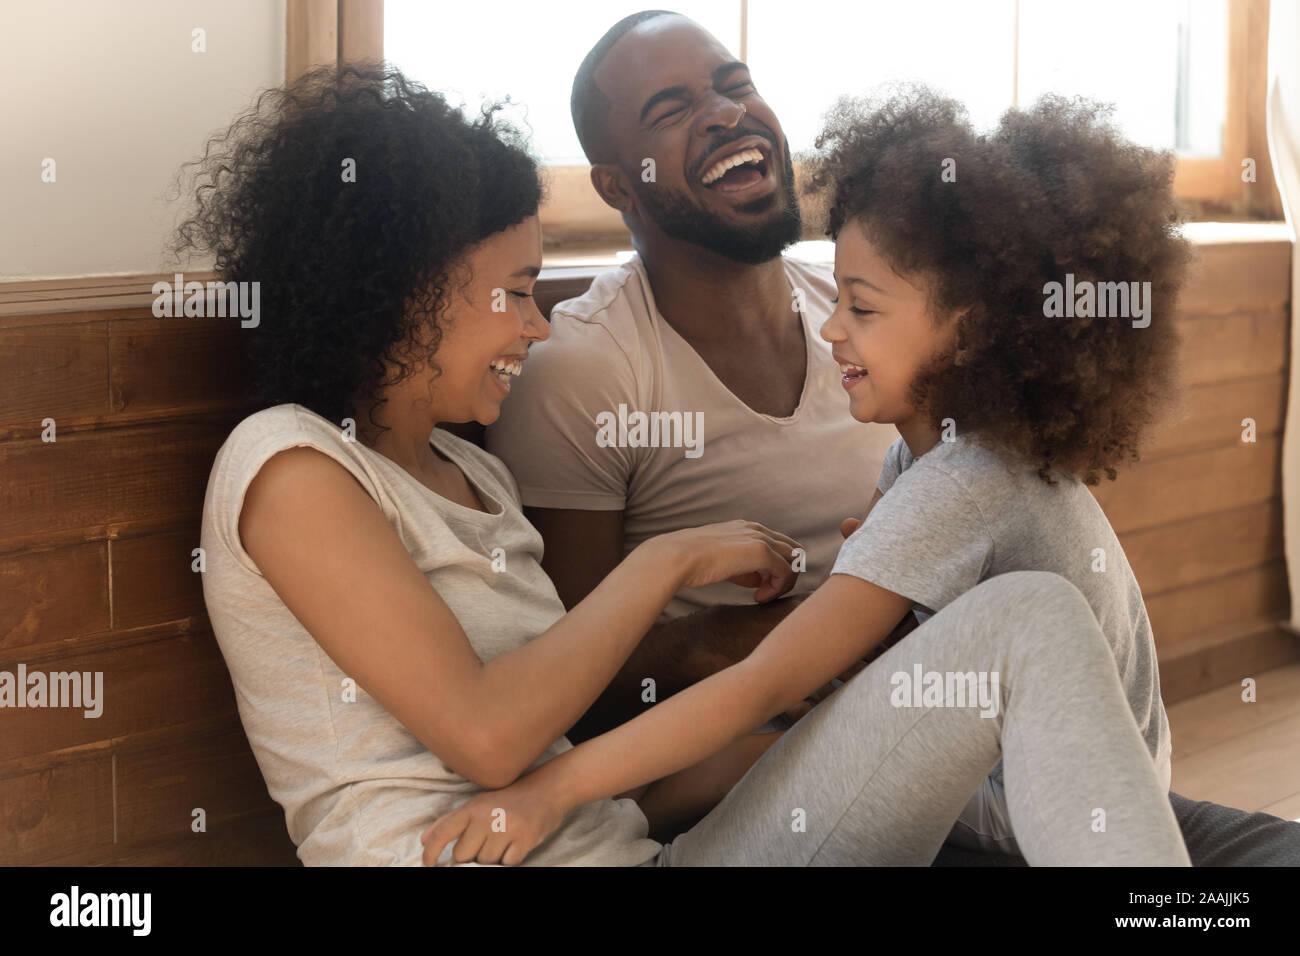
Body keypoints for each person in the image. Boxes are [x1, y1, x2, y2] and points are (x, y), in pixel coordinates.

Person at [419, 87, 1195, 866]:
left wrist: (550, 791)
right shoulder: (918, 458)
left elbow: (761, 683)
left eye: (861, 309)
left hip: (1030, 796)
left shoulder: (967, 479)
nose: (830, 327)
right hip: (989, 764)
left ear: (972, 333)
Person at [185, 65, 804, 865]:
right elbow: (488, 739)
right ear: (411, 292)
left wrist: (813, 732)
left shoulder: (477, 478)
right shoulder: (291, 466)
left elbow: (582, 790)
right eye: (515, 294)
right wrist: (669, 559)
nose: (536, 329)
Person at [485, 11, 898, 742]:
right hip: (748, 780)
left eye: (736, 85)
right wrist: (814, 634)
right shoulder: (584, 371)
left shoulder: (860, 314)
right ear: (618, 187)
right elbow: (571, 692)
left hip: (935, 717)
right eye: (672, 110)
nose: (727, 113)